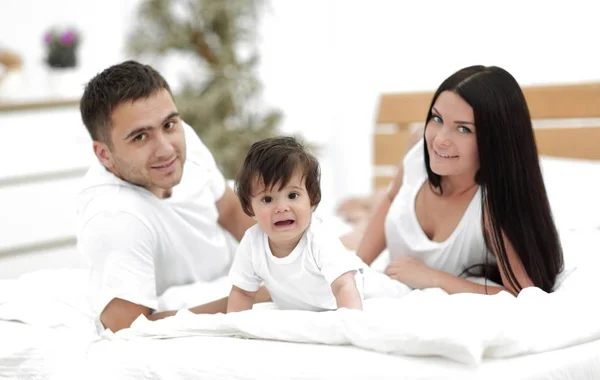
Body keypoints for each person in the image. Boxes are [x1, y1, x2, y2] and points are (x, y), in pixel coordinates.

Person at [76, 60, 267, 332]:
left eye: (168, 124)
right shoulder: (116, 217)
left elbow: (230, 211)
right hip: (227, 294)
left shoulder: (179, 136)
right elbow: (126, 329)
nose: (166, 149)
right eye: (140, 137)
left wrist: (286, 262)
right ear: (104, 154)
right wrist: (255, 298)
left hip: (239, 267)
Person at [356, 65, 564, 296]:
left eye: (463, 129)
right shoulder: (419, 148)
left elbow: (523, 293)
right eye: (437, 118)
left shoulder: (490, 210)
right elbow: (392, 197)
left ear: (496, 141)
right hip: (377, 242)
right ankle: (359, 209)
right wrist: (355, 265)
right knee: (353, 225)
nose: (440, 139)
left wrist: (433, 278)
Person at [226, 137, 365, 312]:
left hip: (360, 287)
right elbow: (242, 292)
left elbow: (344, 285)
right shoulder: (253, 241)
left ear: (312, 199)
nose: (282, 208)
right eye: (267, 199)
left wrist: (350, 323)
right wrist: (236, 328)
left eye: (292, 195)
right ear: (249, 207)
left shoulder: (319, 238)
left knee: (395, 287)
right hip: (301, 302)